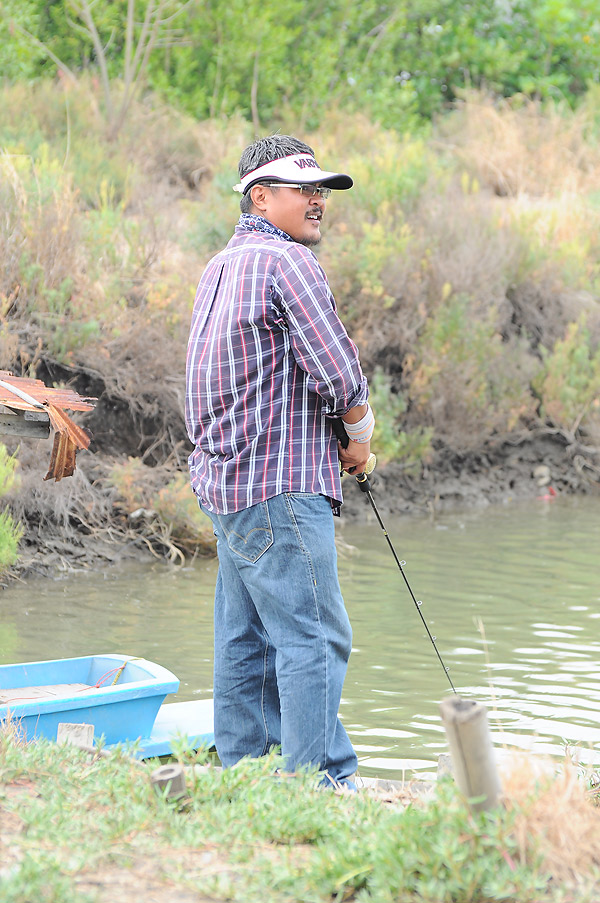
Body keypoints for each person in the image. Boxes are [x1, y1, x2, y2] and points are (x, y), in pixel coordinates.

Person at [185, 135, 374, 789]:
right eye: (303, 190)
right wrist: (360, 435)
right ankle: (317, 785)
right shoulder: (288, 263)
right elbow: (338, 372)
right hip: (281, 483)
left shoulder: (219, 267)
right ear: (259, 198)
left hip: (228, 485)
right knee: (316, 635)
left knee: (245, 640)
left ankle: (245, 778)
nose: (317, 201)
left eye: (320, 189)